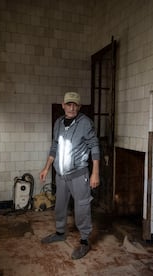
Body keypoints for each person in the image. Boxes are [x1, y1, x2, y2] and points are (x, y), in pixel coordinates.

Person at [39, 91, 100, 260]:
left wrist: (95, 173)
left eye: (75, 105)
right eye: (68, 104)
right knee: (60, 205)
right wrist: (46, 168)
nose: (71, 108)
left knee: (82, 207)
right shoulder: (58, 123)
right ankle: (60, 232)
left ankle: (85, 241)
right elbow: (54, 147)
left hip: (79, 174)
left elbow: (94, 147)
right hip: (61, 175)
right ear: (63, 105)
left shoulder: (86, 123)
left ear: (79, 107)